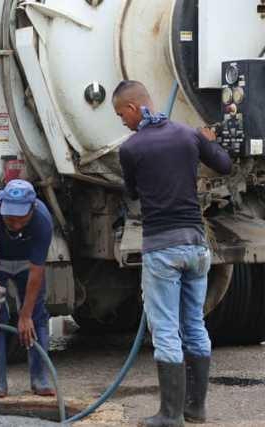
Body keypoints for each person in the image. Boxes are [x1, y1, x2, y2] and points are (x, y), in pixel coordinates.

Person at [113, 80, 232, 427]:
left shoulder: (131, 149)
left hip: (162, 249)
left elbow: (132, 193)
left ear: (134, 108)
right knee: (194, 325)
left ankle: (170, 415)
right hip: (196, 246)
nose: (123, 122)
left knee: (165, 330)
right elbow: (224, 165)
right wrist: (209, 142)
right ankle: (196, 408)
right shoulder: (188, 135)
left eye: (122, 115)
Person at [0, 179, 54, 398]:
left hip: (27, 264)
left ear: (32, 208)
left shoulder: (42, 220)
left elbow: (37, 271)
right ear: (2, 207)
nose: (15, 224)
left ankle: (39, 379)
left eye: (21, 219)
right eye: (10, 218)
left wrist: (25, 315)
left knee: (36, 318)